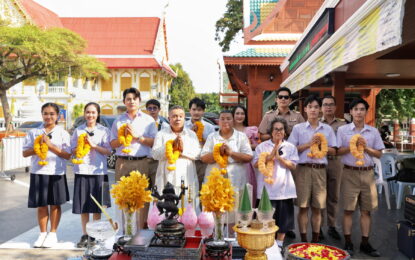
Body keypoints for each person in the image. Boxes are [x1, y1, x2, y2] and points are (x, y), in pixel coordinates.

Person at [337, 98, 384, 257]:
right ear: (350, 112)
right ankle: (348, 241)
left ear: (365, 112)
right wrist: (352, 145)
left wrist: (366, 147)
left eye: (362, 109)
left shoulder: (373, 131)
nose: (358, 112)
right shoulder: (343, 131)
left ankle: (365, 242)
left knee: (366, 211)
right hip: (349, 172)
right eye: (355, 109)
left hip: (368, 173)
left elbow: (379, 154)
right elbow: (337, 152)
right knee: (348, 210)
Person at [287, 95, 337, 243]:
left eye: (316, 107)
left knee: (317, 207)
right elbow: (290, 149)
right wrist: (309, 144)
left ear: (320, 110)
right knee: (303, 207)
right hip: (302, 170)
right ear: (305, 109)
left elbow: (334, 150)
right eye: (310, 107)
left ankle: (315, 240)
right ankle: (303, 240)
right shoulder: (298, 128)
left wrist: (322, 146)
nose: (313, 110)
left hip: (320, 170)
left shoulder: (327, 129)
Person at [22, 103, 71, 248]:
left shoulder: (63, 133)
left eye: (52, 114)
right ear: (41, 114)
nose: (48, 116)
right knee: (42, 204)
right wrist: (37, 147)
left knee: (55, 204)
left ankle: (53, 234)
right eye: (45, 113)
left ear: (57, 116)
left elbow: (67, 155)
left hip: (56, 172)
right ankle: (42, 233)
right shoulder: (34, 132)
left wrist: (50, 145)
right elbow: (25, 153)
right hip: (38, 172)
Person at [110, 88, 157, 229]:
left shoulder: (148, 120)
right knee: (123, 196)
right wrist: (121, 138)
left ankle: (141, 229)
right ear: (124, 101)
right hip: (122, 162)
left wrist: (137, 137)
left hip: (141, 161)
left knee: (141, 197)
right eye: (128, 99)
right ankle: (126, 230)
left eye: (134, 99)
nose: (131, 101)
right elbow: (112, 143)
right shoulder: (118, 121)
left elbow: (154, 142)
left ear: (139, 101)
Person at [253, 118, 298, 253]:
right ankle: (266, 243)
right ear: (271, 132)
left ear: (285, 132)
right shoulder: (262, 146)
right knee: (264, 218)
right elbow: (255, 164)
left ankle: (279, 244)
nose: (279, 131)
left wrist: (279, 158)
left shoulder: (290, 147)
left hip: (284, 188)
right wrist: (270, 156)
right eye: (276, 129)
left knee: (283, 219)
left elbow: (294, 165)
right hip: (266, 189)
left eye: (281, 129)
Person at [71, 102, 112, 248]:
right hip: (82, 170)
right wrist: (80, 146)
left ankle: (94, 234)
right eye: (88, 112)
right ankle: (85, 234)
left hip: (98, 171)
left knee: (98, 206)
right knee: (84, 206)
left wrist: (94, 146)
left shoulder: (104, 131)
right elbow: (72, 149)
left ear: (98, 114)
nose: (90, 115)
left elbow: (108, 151)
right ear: (84, 113)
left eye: (93, 112)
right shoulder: (78, 131)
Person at [151, 105, 201, 203]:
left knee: (186, 210)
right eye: (174, 116)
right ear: (169, 118)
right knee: (167, 211)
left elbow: (198, 154)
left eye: (180, 116)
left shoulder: (191, 135)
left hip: (186, 176)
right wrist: (170, 146)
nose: (177, 119)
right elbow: (155, 155)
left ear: (184, 118)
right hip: (166, 177)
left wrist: (182, 151)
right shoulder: (161, 134)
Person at [319, 95, 346, 240]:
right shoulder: (315, 124)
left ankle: (331, 225)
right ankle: (319, 227)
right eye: (325, 104)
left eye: (331, 104)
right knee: (319, 196)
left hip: (336, 162)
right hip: (319, 163)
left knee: (334, 196)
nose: (328, 107)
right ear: (321, 108)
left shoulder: (342, 125)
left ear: (335, 107)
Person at [184, 97, 215, 190]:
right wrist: (190, 133)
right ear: (189, 110)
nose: (196, 112)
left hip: (203, 162)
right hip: (188, 160)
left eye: (199, 110)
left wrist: (200, 139)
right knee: (188, 188)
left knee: (203, 189)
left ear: (203, 111)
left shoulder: (209, 127)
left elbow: (211, 146)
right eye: (194, 109)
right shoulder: (184, 126)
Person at [232, 104, 259, 202]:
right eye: (237, 113)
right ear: (233, 115)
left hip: (246, 164)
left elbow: (257, 146)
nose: (240, 116)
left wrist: (246, 146)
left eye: (242, 114)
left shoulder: (251, 130)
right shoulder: (228, 130)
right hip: (231, 164)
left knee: (246, 191)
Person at [146, 99, 169, 188]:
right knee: (143, 190)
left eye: (154, 108)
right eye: (150, 108)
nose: (152, 111)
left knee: (158, 189)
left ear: (159, 109)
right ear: (147, 110)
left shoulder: (165, 126)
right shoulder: (143, 125)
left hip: (158, 162)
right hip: (145, 160)